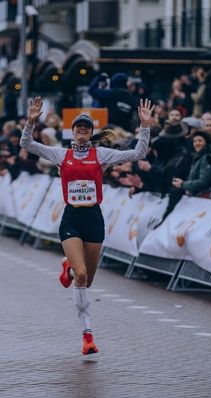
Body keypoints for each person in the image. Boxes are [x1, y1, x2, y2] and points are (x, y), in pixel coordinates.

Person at [20, 96, 154, 355]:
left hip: (94, 219)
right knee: (82, 277)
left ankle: (68, 266)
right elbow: (27, 143)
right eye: (78, 128)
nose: (82, 132)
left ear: (91, 133)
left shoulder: (101, 154)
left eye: (86, 129)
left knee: (86, 280)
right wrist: (31, 120)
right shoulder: (61, 154)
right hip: (71, 217)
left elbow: (139, 153)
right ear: (73, 132)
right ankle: (87, 336)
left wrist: (145, 126)